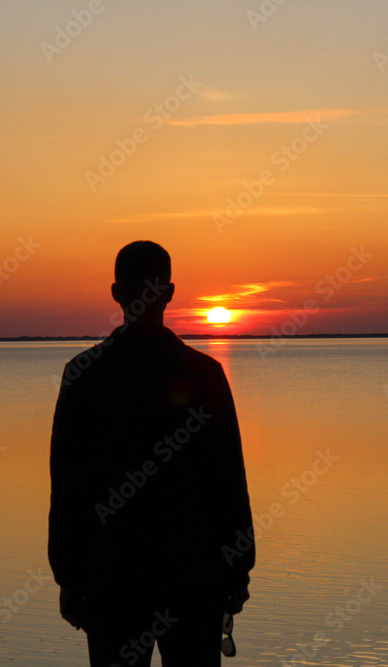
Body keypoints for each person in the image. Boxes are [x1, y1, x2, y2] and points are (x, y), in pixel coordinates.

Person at [48, 241, 255, 666]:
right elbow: (228, 480)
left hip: (111, 579)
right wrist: (237, 568)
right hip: (192, 577)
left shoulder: (83, 375)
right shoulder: (205, 375)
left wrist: (68, 576)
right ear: (169, 292)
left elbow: (68, 487)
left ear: (116, 293)